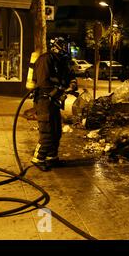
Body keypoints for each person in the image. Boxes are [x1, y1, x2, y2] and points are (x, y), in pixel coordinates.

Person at [31, 37, 77, 171]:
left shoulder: (60, 60)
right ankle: (38, 158)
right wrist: (59, 93)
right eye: (63, 46)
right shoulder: (45, 60)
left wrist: (72, 83)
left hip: (55, 102)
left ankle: (52, 157)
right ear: (55, 47)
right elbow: (43, 83)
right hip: (45, 101)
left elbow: (69, 75)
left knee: (56, 131)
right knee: (47, 132)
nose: (65, 49)